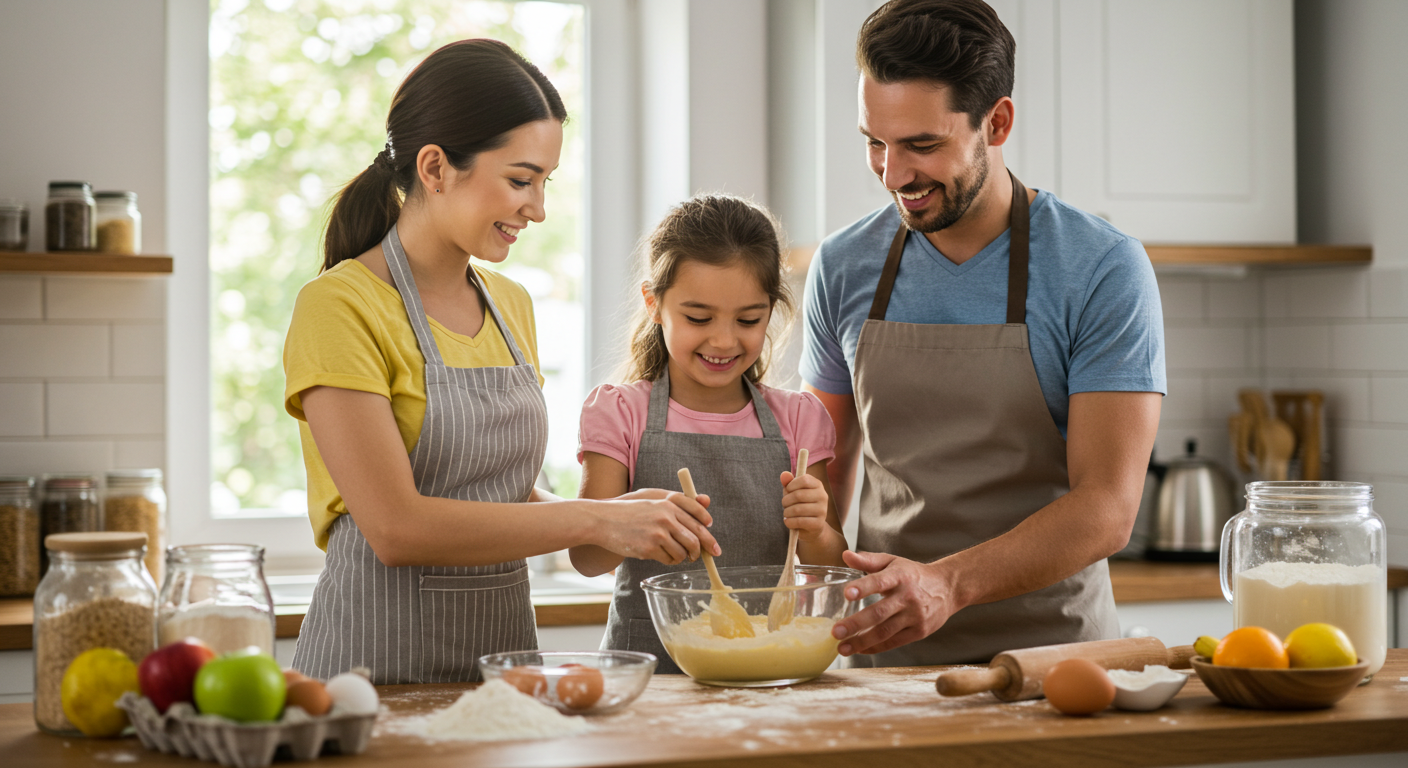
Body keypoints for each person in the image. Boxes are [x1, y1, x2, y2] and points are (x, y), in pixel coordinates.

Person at [282, 40, 718, 684]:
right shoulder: (339, 307)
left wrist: (619, 519)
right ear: (435, 167)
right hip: (367, 681)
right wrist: (599, 518)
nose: (537, 208)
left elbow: (500, 493)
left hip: (504, 672)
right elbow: (397, 527)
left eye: (545, 183)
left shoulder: (511, 306)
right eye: (520, 180)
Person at [802, 0, 1165, 666]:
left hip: (1054, 665)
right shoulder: (842, 265)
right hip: (885, 661)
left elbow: (1108, 506)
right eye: (873, 141)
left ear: (996, 123)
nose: (892, 174)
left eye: (922, 144)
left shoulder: (1100, 266)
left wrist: (946, 584)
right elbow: (817, 483)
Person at [571, 195, 846, 672]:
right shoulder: (621, 413)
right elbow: (588, 558)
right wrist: (630, 526)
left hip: (772, 666)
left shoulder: (800, 419)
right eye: (699, 318)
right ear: (654, 305)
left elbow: (831, 561)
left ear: (772, 311)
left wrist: (817, 526)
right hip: (646, 679)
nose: (723, 340)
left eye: (748, 319)